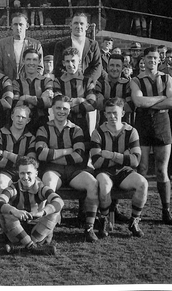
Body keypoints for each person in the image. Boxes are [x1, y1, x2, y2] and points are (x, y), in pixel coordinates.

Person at [36, 95, 99, 242]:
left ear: (69, 110)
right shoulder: (43, 128)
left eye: (65, 108)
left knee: (93, 184)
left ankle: (89, 227)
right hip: (53, 170)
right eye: (58, 108)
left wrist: (53, 155)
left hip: (73, 171)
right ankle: (48, 228)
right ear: (52, 109)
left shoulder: (76, 129)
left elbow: (79, 156)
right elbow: (41, 154)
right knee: (49, 183)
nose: (61, 111)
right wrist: (66, 151)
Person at [130, 47, 172, 225]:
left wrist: (149, 103)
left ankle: (166, 210)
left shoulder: (167, 78)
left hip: (162, 123)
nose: (152, 60)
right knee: (141, 169)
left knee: (161, 169)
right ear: (143, 59)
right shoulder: (135, 80)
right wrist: (161, 98)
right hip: (142, 124)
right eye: (149, 57)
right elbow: (138, 101)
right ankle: (137, 213)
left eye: (155, 58)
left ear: (160, 59)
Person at [90, 98, 148, 238]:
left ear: (122, 113)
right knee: (104, 186)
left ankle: (134, 220)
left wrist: (110, 155)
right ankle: (103, 219)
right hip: (104, 172)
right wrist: (123, 157)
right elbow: (96, 162)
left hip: (123, 172)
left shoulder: (131, 131)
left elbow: (135, 161)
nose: (112, 116)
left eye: (115, 113)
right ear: (104, 114)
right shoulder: (97, 132)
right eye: (109, 113)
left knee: (143, 184)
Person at [0, 156, 61, 255]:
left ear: (36, 173)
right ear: (18, 174)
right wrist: (14, 210)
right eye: (22, 173)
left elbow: (59, 201)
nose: (25, 177)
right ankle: (32, 247)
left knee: (56, 212)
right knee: (6, 211)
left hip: (37, 229)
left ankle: (22, 247)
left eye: (29, 173)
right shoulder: (13, 188)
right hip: (17, 230)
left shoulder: (41, 187)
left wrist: (42, 212)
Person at [53, 47, 97, 139]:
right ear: (63, 63)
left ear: (79, 62)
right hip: (63, 124)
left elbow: (92, 104)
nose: (70, 64)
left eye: (73, 61)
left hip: (83, 124)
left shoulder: (87, 81)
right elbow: (58, 104)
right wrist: (80, 100)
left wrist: (70, 103)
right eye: (67, 61)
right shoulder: (58, 81)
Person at [0, 105, 36, 196]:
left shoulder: (31, 138)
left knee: (36, 186)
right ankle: (2, 209)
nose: (20, 120)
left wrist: (7, 154)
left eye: (23, 117)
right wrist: (21, 160)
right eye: (18, 116)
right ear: (12, 117)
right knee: (1, 185)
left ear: (28, 121)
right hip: (5, 171)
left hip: (25, 172)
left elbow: (32, 162)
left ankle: (31, 210)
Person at [12, 48, 54, 134]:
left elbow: (47, 103)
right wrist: (38, 100)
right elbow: (16, 104)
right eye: (28, 59)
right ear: (23, 61)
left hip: (42, 123)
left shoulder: (47, 81)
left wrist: (25, 97)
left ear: (39, 62)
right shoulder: (16, 83)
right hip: (22, 124)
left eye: (34, 60)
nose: (31, 63)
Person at [53, 12, 102, 81]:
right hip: (66, 84)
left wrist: (85, 81)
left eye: (81, 23)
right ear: (70, 25)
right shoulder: (60, 45)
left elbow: (97, 66)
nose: (79, 26)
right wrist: (70, 79)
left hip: (87, 84)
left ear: (87, 26)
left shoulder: (94, 45)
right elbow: (58, 67)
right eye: (76, 23)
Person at [0, 12, 43, 81]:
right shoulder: (2, 44)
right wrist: (5, 83)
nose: (18, 27)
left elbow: (39, 67)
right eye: (15, 24)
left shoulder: (36, 45)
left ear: (27, 26)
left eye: (21, 24)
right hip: (7, 85)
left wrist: (31, 82)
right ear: (11, 26)